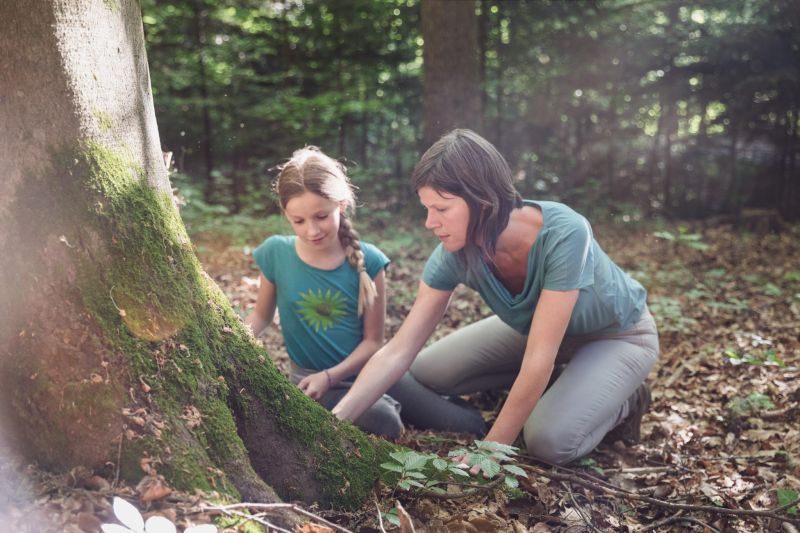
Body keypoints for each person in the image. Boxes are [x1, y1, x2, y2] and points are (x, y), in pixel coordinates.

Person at [332, 130, 659, 464]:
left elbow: (539, 359)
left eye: (441, 208)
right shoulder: (454, 251)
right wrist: (334, 422)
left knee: (548, 442)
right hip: (541, 333)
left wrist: (489, 450)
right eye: (427, 208)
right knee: (428, 371)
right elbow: (398, 351)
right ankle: (571, 385)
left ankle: (627, 398)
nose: (430, 222)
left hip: (619, 335)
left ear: (483, 202)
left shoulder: (564, 233)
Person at [246, 146, 485, 438]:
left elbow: (374, 343)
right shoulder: (275, 253)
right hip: (315, 383)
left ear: (342, 205)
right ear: (286, 214)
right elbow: (260, 316)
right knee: (385, 422)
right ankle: (389, 406)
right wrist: (233, 334)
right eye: (299, 221)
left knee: (469, 425)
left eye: (321, 216)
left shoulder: (369, 261)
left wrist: (334, 374)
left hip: (374, 373)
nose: (312, 230)